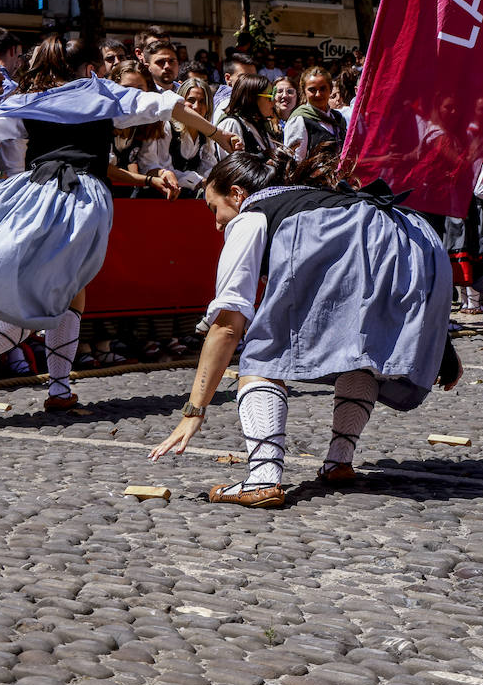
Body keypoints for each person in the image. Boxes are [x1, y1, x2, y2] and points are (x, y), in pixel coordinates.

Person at [148, 150, 458, 505]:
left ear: (237, 194)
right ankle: (339, 461)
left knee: (262, 355)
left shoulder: (250, 216)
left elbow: (227, 326)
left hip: (380, 235)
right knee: (358, 354)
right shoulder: (323, 203)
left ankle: (262, 478)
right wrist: (442, 348)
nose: (217, 224)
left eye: (213, 209)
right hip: (414, 232)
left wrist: (194, 410)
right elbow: (404, 289)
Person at [0, 36, 240, 412]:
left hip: (30, 193)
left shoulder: (32, 100)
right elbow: (168, 104)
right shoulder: (101, 92)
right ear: (93, 68)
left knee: (70, 289)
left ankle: (60, 391)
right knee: (52, 295)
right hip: (77, 200)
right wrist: (216, 132)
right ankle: (57, 388)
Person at [283, 67, 346, 162]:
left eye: (323, 89)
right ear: (304, 91)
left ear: (330, 89)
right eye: (312, 90)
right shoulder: (300, 120)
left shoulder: (337, 117)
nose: (318, 94)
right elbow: (294, 161)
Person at [216, 74, 282, 157]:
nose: (274, 101)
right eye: (269, 97)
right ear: (251, 99)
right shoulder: (232, 124)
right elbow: (231, 166)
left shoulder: (260, 123)